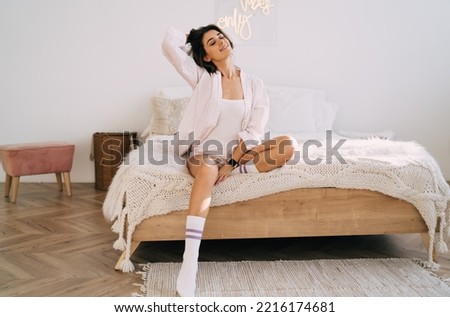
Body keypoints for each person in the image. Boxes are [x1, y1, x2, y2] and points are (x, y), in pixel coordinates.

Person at [162, 24, 295, 297]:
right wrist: (193, 37)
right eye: (212, 42)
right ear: (206, 56)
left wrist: (232, 163)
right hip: (204, 154)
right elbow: (168, 44)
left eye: (221, 36)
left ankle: (238, 170)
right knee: (208, 172)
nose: (220, 41)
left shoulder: (254, 84)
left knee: (287, 145)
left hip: (238, 155)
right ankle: (190, 262)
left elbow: (255, 129)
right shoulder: (203, 77)